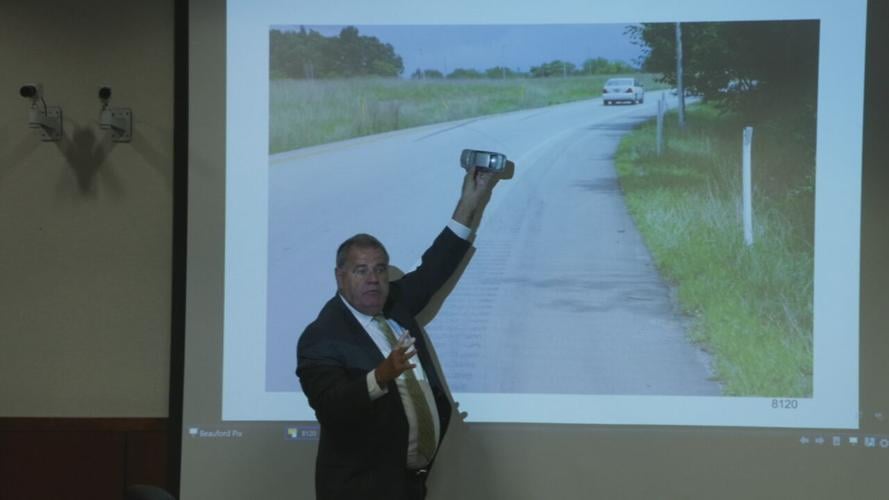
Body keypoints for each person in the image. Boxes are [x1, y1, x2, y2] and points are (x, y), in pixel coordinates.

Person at [296, 165, 499, 500]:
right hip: (358, 491)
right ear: (339, 277)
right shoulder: (322, 336)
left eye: (379, 269)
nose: (373, 279)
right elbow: (332, 406)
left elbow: (437, 265)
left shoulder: (395, 303)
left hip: (407, 486)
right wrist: (380, 376)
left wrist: (469, 201)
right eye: (361, 271)